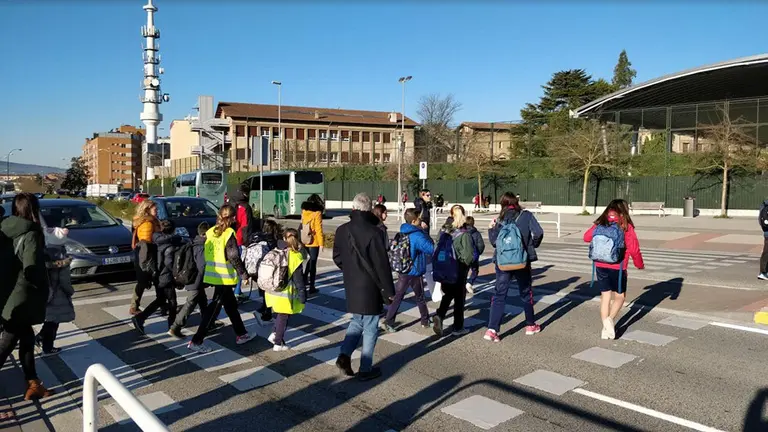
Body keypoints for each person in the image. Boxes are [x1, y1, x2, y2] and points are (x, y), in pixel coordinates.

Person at [333, 193, 395, 381]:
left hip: (351, 283)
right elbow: (381, 265)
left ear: (353, 208)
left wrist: (350, 270)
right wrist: (390, 291)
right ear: (368, 210)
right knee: (370, 326)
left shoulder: (341, 230)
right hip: (370, 285)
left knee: (357, 321)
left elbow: (337, 257)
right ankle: (366, 368)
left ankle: (344, 354)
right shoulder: (374, 232)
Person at [0, 193, 54, 400]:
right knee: (8, 341)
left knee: (27, 337)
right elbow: (32, 268)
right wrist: (43, 282)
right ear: (34, 209)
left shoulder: (4, 227)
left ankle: (33, 383)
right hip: (22, 294)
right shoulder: (31, 233)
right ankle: (33, 383)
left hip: (7, 291)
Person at [187, 205, 255, 352]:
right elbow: (233, 256)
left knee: (230, 306)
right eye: (234, 216)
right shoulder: (229, 233)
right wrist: (243, 274)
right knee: (213, 309)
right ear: (230, 218)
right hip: (223, 276)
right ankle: (196, 341)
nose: (236, 219)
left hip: (213, 273)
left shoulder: (211, 232)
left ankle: (242, 334)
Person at [485, 192, 544, 342]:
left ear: (502, 204)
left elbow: (493, 242)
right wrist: (531, 246)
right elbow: (538, 233)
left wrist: (491, 229)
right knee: (526, 293)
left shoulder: (500, 219)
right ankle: (530, 325)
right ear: (516, 202)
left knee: (499, 295)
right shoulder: (526, 215)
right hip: (522, 261)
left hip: (503, 263)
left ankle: (492, 330)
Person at [583, 199, 645, 340]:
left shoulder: (600, 222)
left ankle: (606, 329)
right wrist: (639, 264)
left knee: (605, 297)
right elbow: (634, 249)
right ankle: (610, 320)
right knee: (620, 297)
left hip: (600, 265)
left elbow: (586, 237)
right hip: (618, 267)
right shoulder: (625, 226)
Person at [382, 208, 434, 333]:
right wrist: (425, 231)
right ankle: (425, 321)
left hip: (403, 269)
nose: (421, 220)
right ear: (414, 220)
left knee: (398, 296)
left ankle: (389, 320)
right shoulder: (417, 235)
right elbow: (431, 248)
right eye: (419, 218)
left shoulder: (402, 232)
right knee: (420, 297)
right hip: (414, 270)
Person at [432, 205, 477, 337]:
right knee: (459, 299)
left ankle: (440, 315)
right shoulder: (464, 233)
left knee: (448, 294)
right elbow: (468, 256)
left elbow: (436, 245)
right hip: (459, 269)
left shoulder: (444, 230)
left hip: (444, 268)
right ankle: (458, 326)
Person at [132, 219, 183, 336]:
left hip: (155, 275)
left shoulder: (155, 239)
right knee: (172, 302)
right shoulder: (169, 245)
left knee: (160, 299)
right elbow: (169, 264)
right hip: (165, 276)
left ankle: (140, 318)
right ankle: (173, 327)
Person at [265, 228, 307, 352]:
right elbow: (299, 280)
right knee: (284, 316)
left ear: (283, 238)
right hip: (285, 293)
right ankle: (278, 342)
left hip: (273, 290)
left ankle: (274, 334)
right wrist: (303, 295)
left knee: (280, 315)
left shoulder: (276, 251)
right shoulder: (295, 256)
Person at [36, 227, 75, 356]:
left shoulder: (43, 253)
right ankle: (47, 347)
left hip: (45, 292)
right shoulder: (62, 258)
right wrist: (70, 291)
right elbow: (64, 280)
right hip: (58, 294)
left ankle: (40, 337)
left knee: (49, 319)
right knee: (53, 323)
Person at [169, 222, 209, 337]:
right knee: (191, 303)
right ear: (205, 234)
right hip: (196, 279)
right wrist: (206, 278)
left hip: (193, 278)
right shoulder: (201, 246)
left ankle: (208, 322)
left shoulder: (194, 242)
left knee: (203, 301)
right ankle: (175, 327)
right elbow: (202, 266)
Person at [130, 200, 160, 316]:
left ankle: (135, 305)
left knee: (145, 280)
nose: (157, 211)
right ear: (148, 209)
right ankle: (135, 306)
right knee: (153, 278)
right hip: (148, 252)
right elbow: (149, 240)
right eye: (155, 209)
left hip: (141, 252)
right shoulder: (148, 223)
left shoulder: (140, 221)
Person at [233, 182, 258, 303]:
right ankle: (237, 291)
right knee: (240, 265)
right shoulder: (245, 207)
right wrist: (247, 241)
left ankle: (235, 291)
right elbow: (246, 226)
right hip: (240, 239)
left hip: (229, 238)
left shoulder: (231, 203)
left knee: (232, 265)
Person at [255, 219, 282, 323]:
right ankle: (266, 312)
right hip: (269, 268)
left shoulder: (258, 237)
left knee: (263, 290)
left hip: (258, 268)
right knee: (269, 290)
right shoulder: (274, 239)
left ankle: (264, 308)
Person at [301, 193, 324, 295]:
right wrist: (321, 243)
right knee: (313, 263)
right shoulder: (317, 213)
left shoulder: (304, 212)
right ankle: (312, 286)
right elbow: (318, 229)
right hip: (313, 241)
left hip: (304, 239)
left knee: (310, 260)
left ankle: (304, 279)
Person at [465, 216, 485, 294]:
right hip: (474, 256)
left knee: (464, 271)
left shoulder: (462, 232)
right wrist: (478, 253)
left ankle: (463, 284)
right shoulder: (476, 233)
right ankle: (470, 282)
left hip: (464, 256)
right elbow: (481, 245)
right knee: (475, 270)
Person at [759, 199, 768, 280]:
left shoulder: (764, 207)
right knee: (766, 253)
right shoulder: (766, 208)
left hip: (766, 232)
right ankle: (763, 272)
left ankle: (764, 272)